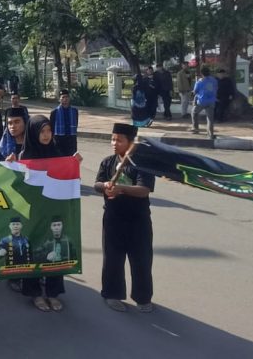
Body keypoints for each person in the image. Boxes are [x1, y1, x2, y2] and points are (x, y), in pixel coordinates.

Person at [16, 116, 82, 311]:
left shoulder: (57, 152)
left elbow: (68, 178)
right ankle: (35, 293)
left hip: (56, 211)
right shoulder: (26, 156)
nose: (46, 135)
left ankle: (53, 293)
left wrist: (74, 163)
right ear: (33, 133)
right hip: (36, 213)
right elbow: (21, 186)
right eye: (42, 132)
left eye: (48, 131)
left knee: (56, 248)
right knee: (35, 250)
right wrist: (13, 166)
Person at [94, 123, 156, 313]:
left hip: (138, 220)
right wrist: (105, 186)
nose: (114, 143)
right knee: (112, 258)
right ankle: (112, 294)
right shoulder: (107, 162)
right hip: (113, 219)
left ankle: (143, 297)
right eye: (112, 139)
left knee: (141, 259)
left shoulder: (142, 164)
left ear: (130, 143)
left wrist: (121, 188)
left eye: (119, 140)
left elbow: (144, 190)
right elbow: (97, 184)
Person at [49, 90, 79, 155]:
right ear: (59, 99)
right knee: (60, 158)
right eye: (63, 97)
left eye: (67, 97)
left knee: (71, 159)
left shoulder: (74, 111)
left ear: (69, 98)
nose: (65, 99)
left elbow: (76, 125)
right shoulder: (54, 112)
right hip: (59, 140)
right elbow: (51, 128)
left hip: (71, 139)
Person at [190, 66, 217, 139]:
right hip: (211, 101)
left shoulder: (199, 81)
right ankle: (210, 134)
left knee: (194, 112)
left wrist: (193, 91)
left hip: (201, 101)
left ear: (201, 74)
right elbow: (214, 88)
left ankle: (195, 128)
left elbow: (195, 91)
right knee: (210, 119)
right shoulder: (214, 80)